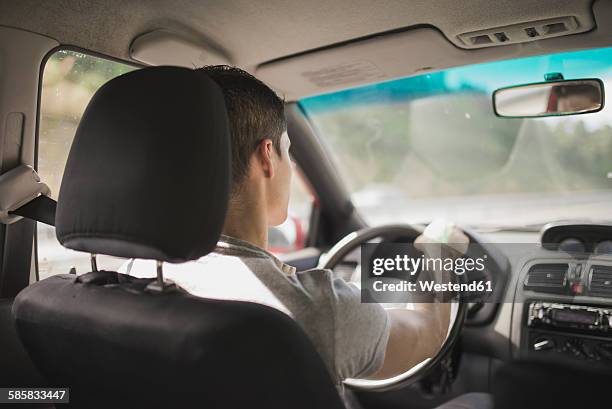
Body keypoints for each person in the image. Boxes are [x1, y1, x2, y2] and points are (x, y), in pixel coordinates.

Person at [122, 65, 467, 385]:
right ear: (267, 156)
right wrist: (442, 252)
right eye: (288, 151)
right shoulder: (313, 309)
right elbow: (427, 334)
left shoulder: (125, 279)